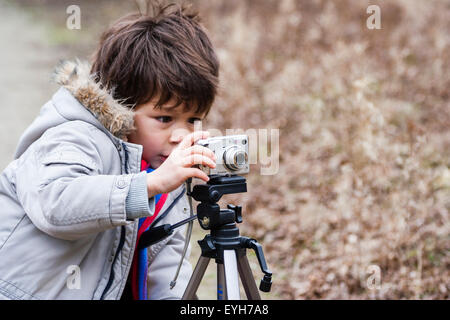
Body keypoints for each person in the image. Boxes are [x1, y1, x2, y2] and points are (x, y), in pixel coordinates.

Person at [0, 2, 219, 300]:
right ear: (123, 107)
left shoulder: (166, 176)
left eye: (193, 120)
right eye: (164, 119)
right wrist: (148, 185)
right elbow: (55, 204)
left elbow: (166, 278)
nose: (181, 135)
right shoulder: (76, 136)